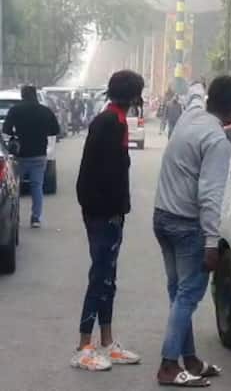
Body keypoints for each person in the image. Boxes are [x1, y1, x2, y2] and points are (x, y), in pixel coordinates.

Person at [154, 76, 231, 387]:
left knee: (178, 295)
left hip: (162, 217)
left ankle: (189, 360)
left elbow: (194, 93)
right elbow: (210, 195)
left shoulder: (191, 114)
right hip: (185, 225)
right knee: (188, 296)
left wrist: (196, 84)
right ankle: (168, 366)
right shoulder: (218, 141)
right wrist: (211, 242)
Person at [72, 70, 145, 372]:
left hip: (105, 210)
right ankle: (84, 346)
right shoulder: (110, 123)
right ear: (133, 96)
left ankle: (107, 341)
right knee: (100, 277)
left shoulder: (113, 119)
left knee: (108, 279)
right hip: (104, 213)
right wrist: (110, 209)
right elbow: (102, 173)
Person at [2, 86, 60, 228]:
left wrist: (15, 134)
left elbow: (6, 130)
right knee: (37, 186)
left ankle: (14, 217)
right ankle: (35, 218)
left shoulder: (15, 110)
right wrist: (42, 132)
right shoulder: (45, 111)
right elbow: (55, 130)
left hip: (19, 155)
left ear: (22, 96)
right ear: (35, 95)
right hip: (39, 154)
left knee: (15, 188)